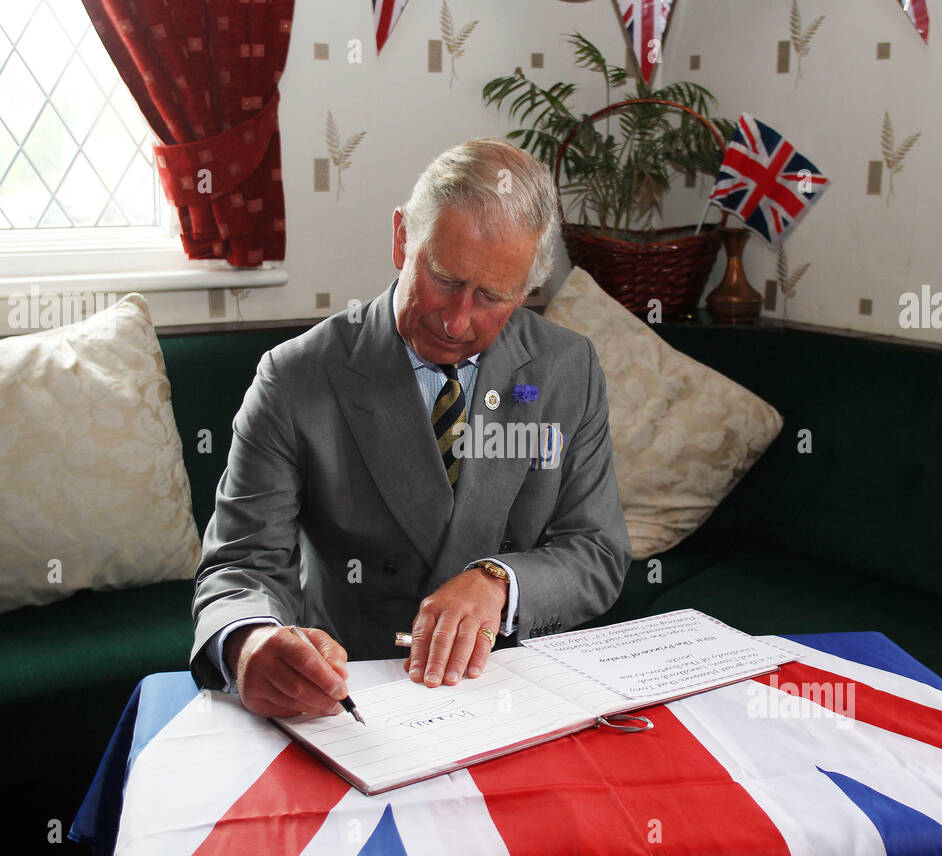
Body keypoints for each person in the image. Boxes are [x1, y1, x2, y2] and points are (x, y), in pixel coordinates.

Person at [189, 138, 631, 719]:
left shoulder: (567, 366)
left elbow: (597, 551)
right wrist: (248, 643)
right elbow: (241, 564)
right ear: (402, 239)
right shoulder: (296, 376)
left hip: (518, 686)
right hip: (355, 690)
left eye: (493, 297)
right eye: (444, 277)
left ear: (527, 291)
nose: (455, 321)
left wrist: (499, 581)